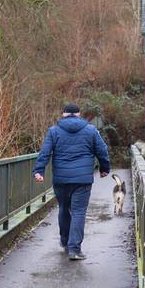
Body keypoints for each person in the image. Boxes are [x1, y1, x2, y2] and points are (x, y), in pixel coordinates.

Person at [33, 104, 110, 260]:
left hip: (61, 178)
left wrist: (39, 171)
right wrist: (104, 168)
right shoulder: (91, 130)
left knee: (63, 208)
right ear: (79, 114)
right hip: (83, 179)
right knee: (79, 212)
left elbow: (45, 152)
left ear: (64, 114)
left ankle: (65, 241)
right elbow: (102, 151)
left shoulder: (53, 131)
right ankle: (75, 249)